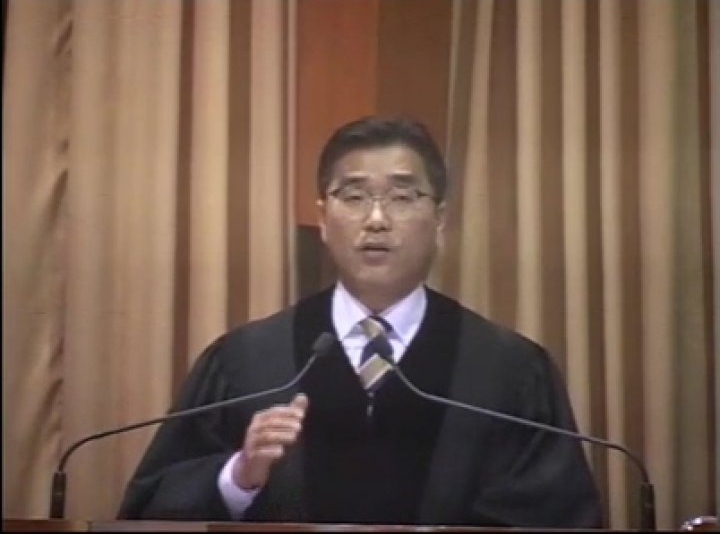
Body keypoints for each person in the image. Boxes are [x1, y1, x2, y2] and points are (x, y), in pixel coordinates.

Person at [118, 116, 603, 527]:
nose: (376, 219)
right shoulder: (246, 360)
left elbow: (557, 515)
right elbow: (152, 510)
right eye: (353, 197)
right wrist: (238, 477)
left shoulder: (507, 369)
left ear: (439, 218)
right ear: (322, 217)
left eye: (402, 197)